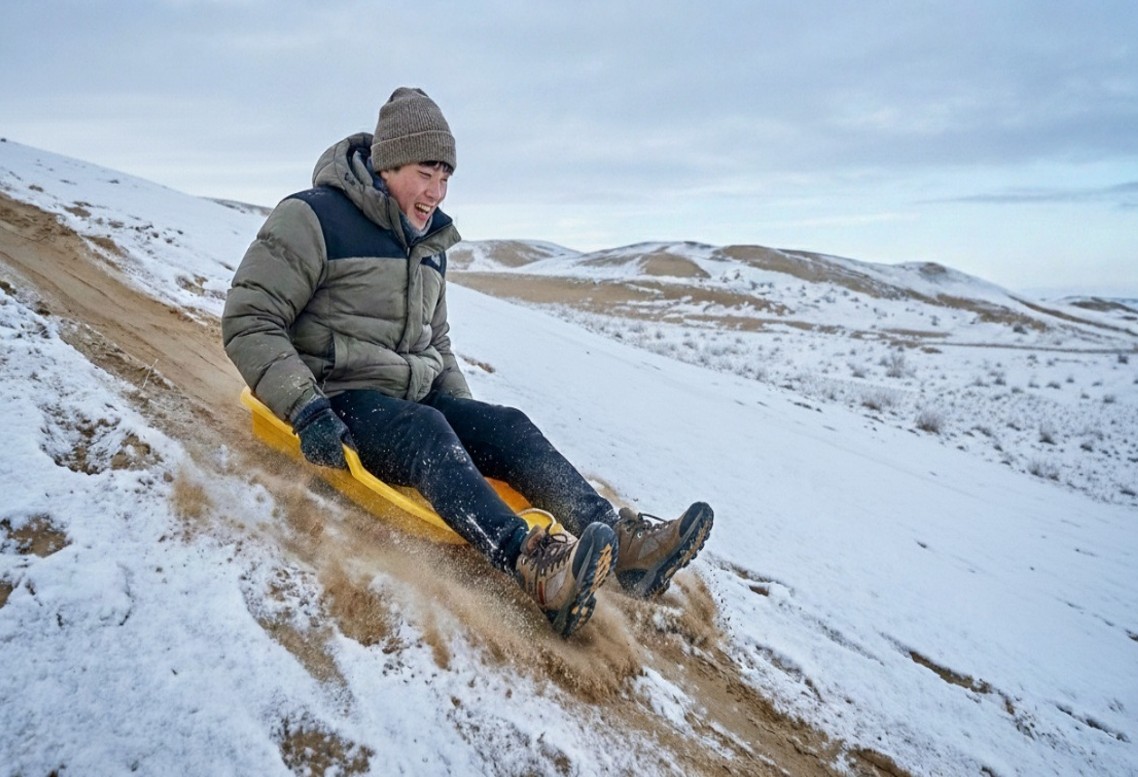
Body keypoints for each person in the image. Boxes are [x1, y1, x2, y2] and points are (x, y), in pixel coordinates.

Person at [222, 87, 713, 637]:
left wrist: (474, 433)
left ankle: (624, 547)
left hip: (413, 399)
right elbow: (250, 321)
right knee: (429, 429)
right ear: (387, 164)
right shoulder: (312, 218)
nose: (436, 192)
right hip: (340, 400)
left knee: (507, 426)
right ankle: (532, 566)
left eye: (446, 177)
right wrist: (306, 409)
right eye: (425, 173)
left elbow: (438, 343)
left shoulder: (430, 243)